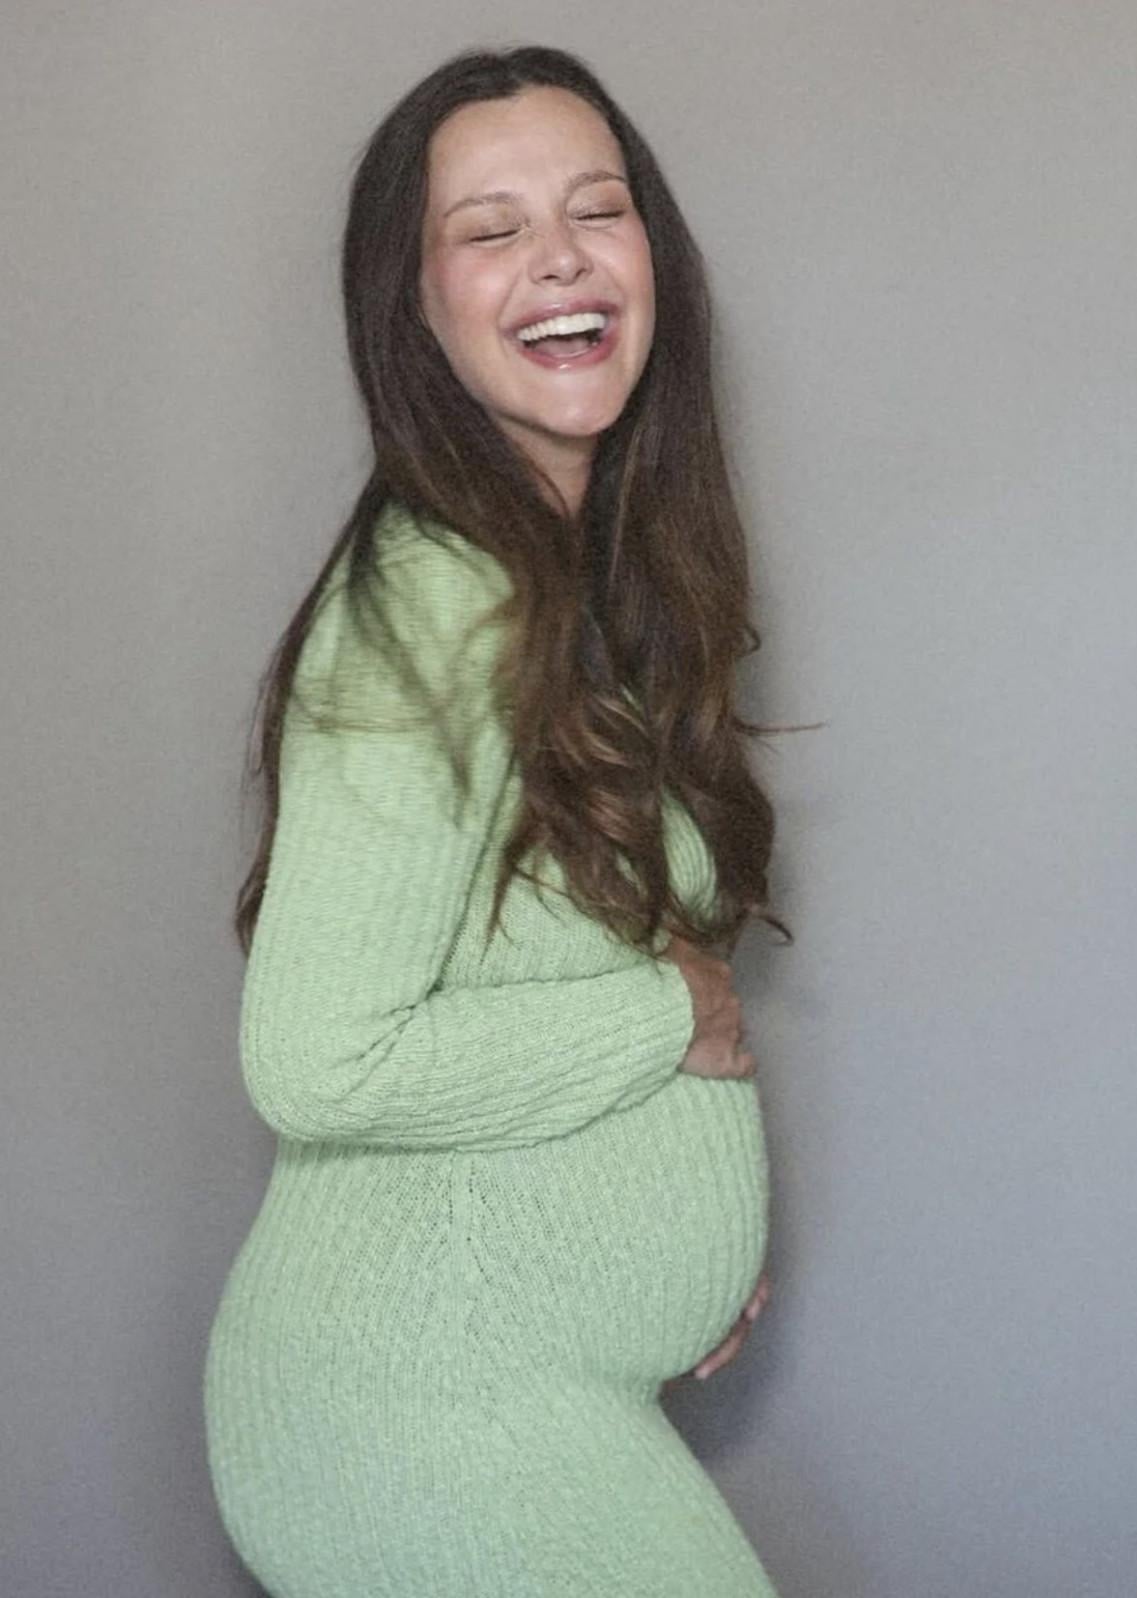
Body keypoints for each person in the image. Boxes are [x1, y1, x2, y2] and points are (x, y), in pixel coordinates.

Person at [203, 42, 792, 1598]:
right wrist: (668, 1018)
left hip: (506, 1385)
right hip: (417, 1406)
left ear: (653, 257)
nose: (563, 259)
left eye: (599, 210)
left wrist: (680, 1228)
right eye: (491, 229)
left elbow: (528, 969)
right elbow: (316, 1055)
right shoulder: (432, 601)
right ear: (415, 305)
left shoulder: (581, 585)